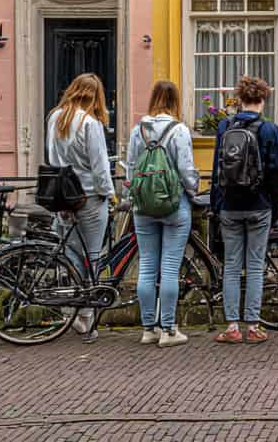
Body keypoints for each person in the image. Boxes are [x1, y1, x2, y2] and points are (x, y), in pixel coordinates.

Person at [125, 80, 200, 348]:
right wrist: (193, 192)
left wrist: (130, 197)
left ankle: (148, 329)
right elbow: (186, 169)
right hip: (173, 204)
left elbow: (131, 168)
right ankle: (168, 329)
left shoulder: (139, 130)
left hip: (143, 205)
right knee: (169, 267)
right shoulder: (179, 130)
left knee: (147, 265)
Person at [213, 75, 278, 345]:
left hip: (230, 205)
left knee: (231, 266)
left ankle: (232, 326)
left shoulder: (224, 126)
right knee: (255, 266)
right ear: (263, 100)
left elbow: (217, 167)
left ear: (239, 99)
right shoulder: (270, 130)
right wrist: (275, 209)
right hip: (259, 205)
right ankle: (253, 326)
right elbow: (276, 173)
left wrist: (216, 205)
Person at [45, 72, 115, 343]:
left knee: (71, 254)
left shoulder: (55, 117)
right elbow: (99, 166)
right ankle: (86, 315)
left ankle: (69, 311)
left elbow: (52, 158)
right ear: (95, 97)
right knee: (92, 256)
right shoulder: (90, 122)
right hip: (88, 197)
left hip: (63, 196)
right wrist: (110, 193)